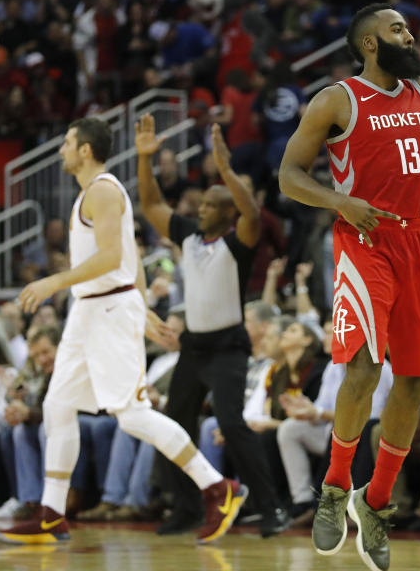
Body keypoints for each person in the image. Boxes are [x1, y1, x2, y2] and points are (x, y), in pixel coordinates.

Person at [279, 3, 420, 571]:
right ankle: (335, 486)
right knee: (364, 368)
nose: (411, 33)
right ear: (372, 44)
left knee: (413, 385)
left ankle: (376, 500)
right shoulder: (336, 100)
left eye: (409, 25)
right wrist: (339, 202)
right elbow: (289, 176)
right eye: (398, 28)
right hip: (364, 237)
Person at [0, 118, 246, 546]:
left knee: (130, 415)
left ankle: (217, 488)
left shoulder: (105, 191)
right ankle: (53, 513)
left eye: (68, 143)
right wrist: (144, 307)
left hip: (108, 309)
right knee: (57, 404)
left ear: (86, 150)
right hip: (91, 309)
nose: (61, 151)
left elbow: (112, 258)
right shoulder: (91, 194)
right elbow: (131, 257)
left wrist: (55, 281)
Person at [135, 114, 289, 537]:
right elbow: (151, 205)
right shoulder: (187, 234)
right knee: (173, 424)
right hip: (193, 347)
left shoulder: (238, 243)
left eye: (208, 205)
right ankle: (186, 507)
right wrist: (144, 159)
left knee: (231, 422)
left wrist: (225, 170)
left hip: (227, 348)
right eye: (200, 204)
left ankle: (271, 508)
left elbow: (252, 212)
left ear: (226, 212)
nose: (198, 209)